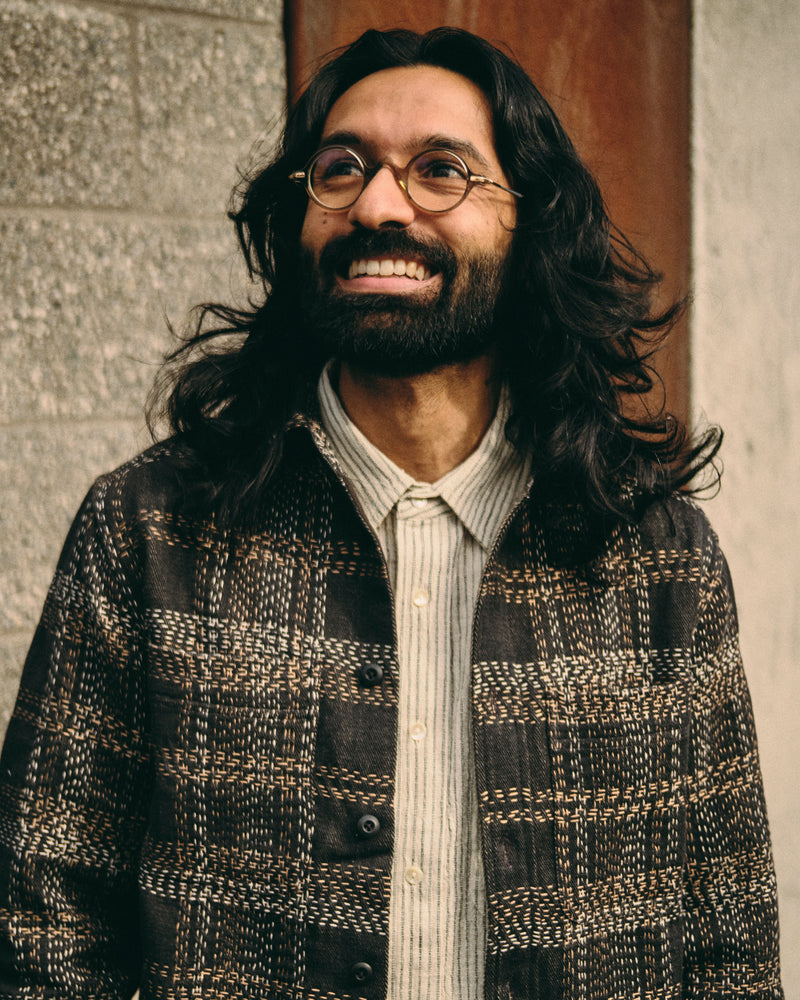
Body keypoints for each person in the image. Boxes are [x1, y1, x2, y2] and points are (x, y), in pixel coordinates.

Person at [0, 25, 782, 1000]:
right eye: (341, 169)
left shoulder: (656, 555)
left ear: (531, 223)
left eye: (439, 171)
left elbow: (728, 936)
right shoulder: (148, 529)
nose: (376, 205)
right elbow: (44, 917)